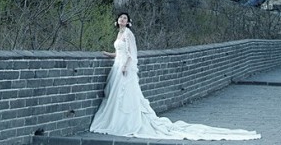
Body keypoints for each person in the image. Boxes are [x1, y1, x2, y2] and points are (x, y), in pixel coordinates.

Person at [89, 12, 261, 141]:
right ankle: (116, 120)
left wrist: (126, 67)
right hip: (117, 65)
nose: (123, 20)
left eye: (125, 18)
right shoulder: (119, 34)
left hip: (124, 69)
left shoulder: (128, 34)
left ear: (129, 22)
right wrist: (109, 54)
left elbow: (132, 54)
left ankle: (125, 122)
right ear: (117, 20)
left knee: (125, 96)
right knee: (114, 96)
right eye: (121, 18)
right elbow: (121, 52)